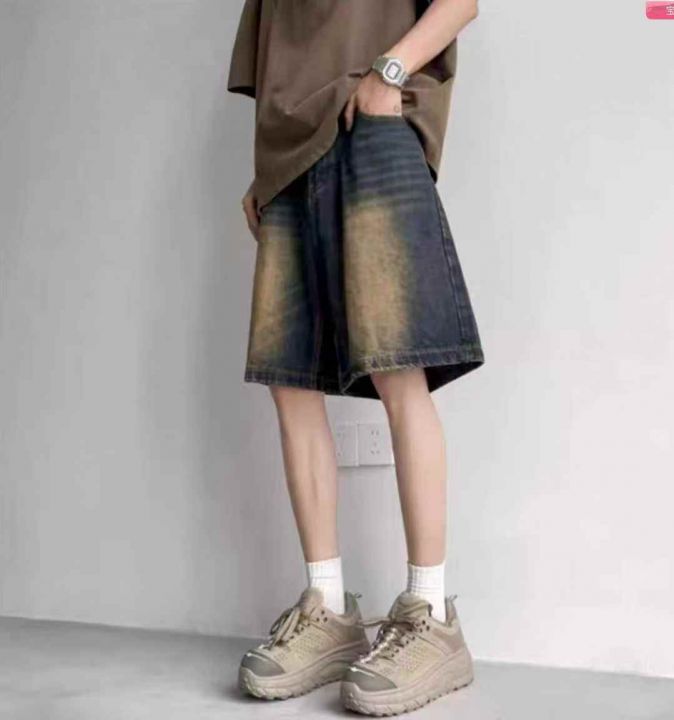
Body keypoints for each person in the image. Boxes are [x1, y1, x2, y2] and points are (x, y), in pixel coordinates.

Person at [227, 0, 483, 714]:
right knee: (290, 382)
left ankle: (431, 614)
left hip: (371, 122)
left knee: (400, 368)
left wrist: (388, 73)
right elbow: (279, 58)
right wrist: (265, 167)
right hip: (288, 156)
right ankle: (329, 608)